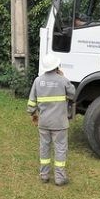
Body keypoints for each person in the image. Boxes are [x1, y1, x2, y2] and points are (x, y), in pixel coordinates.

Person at [27, 53, 76, 186]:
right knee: (60, 149)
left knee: (44, 148)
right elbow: (73, 94)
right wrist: (63, 76)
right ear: (57, 66)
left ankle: (44, 175)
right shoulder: (62, 80)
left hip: (44, 123)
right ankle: (59, 178)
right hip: (59, 123)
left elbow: (31, 103)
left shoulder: (38, 81)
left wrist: (33, 114)